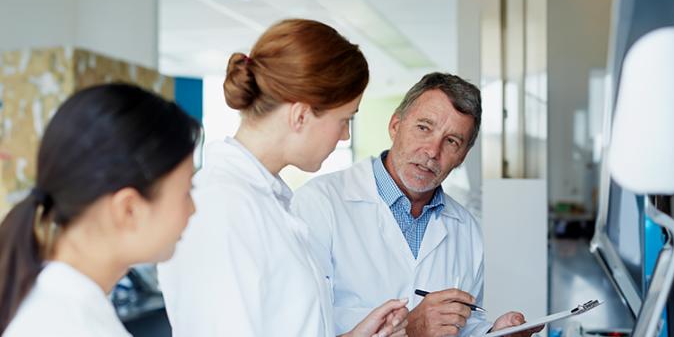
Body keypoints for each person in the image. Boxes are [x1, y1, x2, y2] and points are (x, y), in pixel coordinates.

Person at [157, 19, 408, 337]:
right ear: (301, 115)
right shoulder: (222, 207)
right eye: (344, 120)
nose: (345, 136)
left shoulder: (264, 197)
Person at [291, 72, 543, 337]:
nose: (432, 151)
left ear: (462, 156)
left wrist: (491, 333)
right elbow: (298, 328)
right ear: (395, 125)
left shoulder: (466, 229)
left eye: (452, 141)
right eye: (424, 128)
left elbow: (462, 325)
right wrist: (410, 328)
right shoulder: (318, 205)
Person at [0, 83, 201, 336]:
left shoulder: (46, 302)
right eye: (186, 192)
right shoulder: (76, 325)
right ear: (128, 209)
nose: (192, 209)